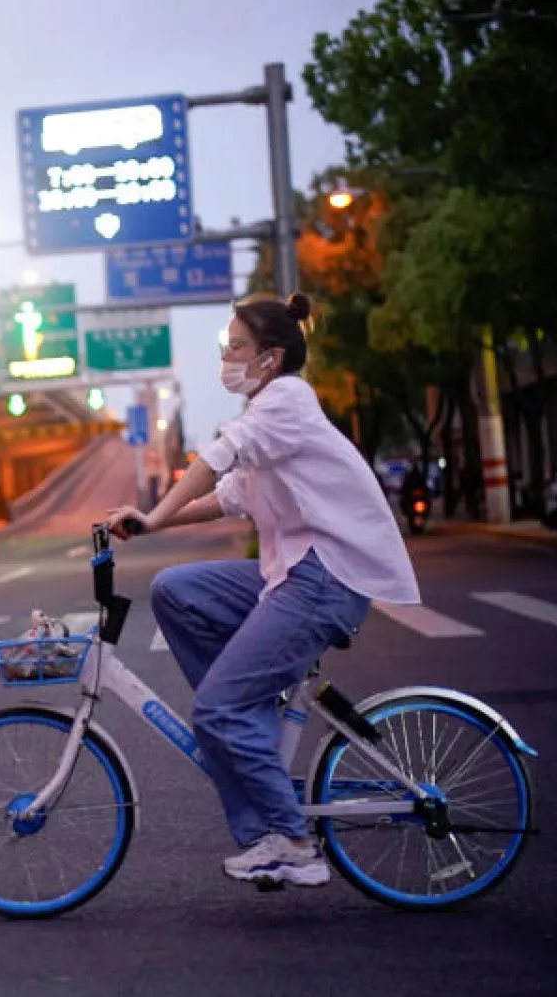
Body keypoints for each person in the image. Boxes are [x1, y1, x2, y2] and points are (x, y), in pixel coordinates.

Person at [106, 292, 420, 888]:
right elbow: (227, 496)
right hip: (294, 571)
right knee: (176, 590)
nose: (226, 358)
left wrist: (154, 512)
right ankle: (247, 716)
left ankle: (292, 843)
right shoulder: (268, 411)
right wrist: (150, 525)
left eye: (236, 347)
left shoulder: (286, 402)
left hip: (325, 578)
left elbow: (215, 460)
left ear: (270, 357)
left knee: (216, 707)